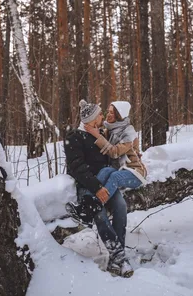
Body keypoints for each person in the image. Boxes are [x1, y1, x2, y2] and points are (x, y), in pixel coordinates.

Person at [64, 99, 134, 278]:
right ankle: (119, 257)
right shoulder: (74, 137)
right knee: (100, 215)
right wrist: (96, 188)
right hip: (88, 188)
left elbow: (114, 152)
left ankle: (117, 256)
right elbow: (76, 168)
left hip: (107, 183)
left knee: (121, 208)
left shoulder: (99, 134)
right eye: (100, 114)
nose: (103, 117)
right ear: (93, 119)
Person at [84, 101, 147, 200]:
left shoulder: (128, 133)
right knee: (105, 171)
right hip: (119, 169)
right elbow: (103, 140)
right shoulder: (110, 130)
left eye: (112, 113)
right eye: (108, 112)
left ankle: (95, 205)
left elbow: (114, 152)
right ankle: (86, 199)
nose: (107, 115)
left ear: (119, 115)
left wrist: (96, 135)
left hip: (134, 172)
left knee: (114, 177)